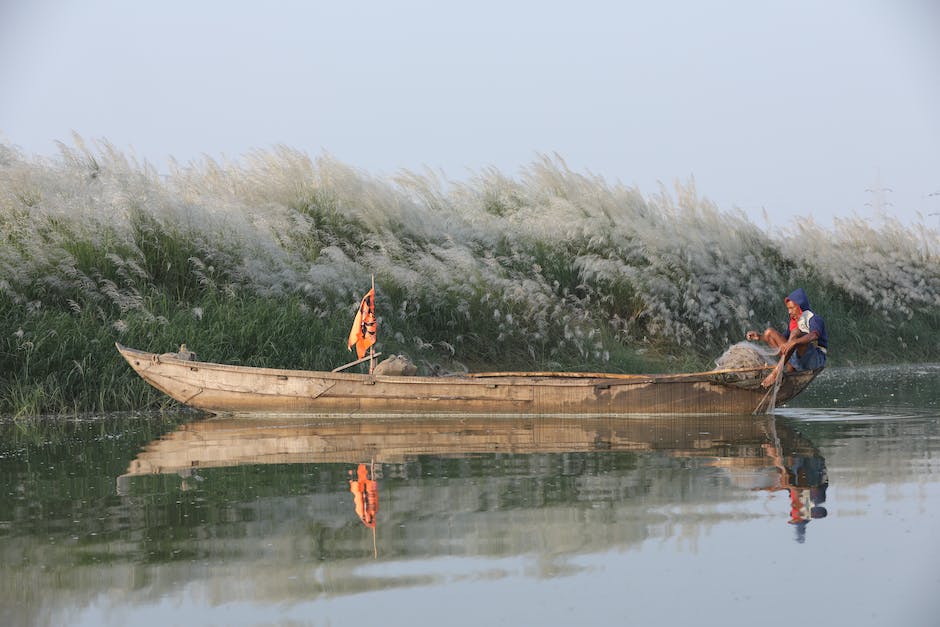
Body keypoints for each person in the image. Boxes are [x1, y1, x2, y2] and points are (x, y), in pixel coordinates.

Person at [746, 288, 828, 388]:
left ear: (800, 307)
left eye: (792, 308)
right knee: (769, 333)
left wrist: (795, 342)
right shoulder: (794, 322)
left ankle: (776, 373)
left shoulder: (813, 318)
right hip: (799, 359)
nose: (789, 312)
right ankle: (790, 370)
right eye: (788, 309)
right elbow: (784, 339)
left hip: (815, 360)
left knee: (795, 333)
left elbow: (814, 335)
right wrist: (760, 337)